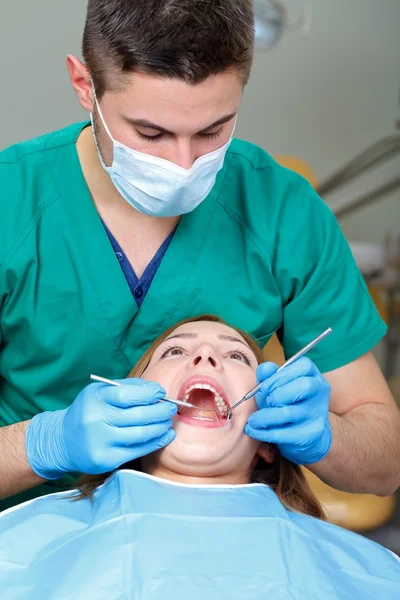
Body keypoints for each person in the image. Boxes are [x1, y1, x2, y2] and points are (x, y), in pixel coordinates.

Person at [0, 0, 399, 512]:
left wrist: (329, 439)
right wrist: (44, 444)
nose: (184, 165)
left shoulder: (282, 211)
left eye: (212, 131)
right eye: (150, 133)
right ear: (85, 87)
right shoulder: (13, 201)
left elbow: (385, 463)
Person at [1, 316, 399, 600]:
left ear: (269, 438)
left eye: (238, 357)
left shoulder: (371, 574)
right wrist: (45, 441)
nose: (206, 355)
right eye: (174, 350)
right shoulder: (22, 541)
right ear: (127, 412)